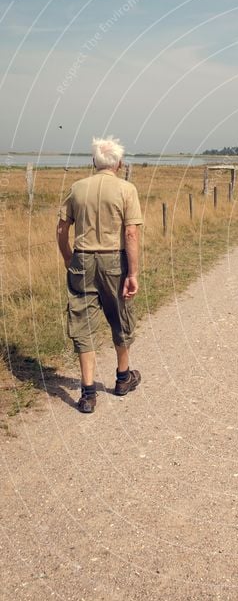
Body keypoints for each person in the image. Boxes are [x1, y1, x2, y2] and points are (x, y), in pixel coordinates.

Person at [57, 137, 143, 413]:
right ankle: (122, 377)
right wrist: (133, 272)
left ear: (94, 161)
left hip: (82, 259)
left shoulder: (77, 188)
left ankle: (88, 392)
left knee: (82, 323)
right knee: (120, 315)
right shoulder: (126, 189)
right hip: (113, 261)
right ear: (119, 163)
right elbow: (131, 233)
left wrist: (70, 258)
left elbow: (61, 230)